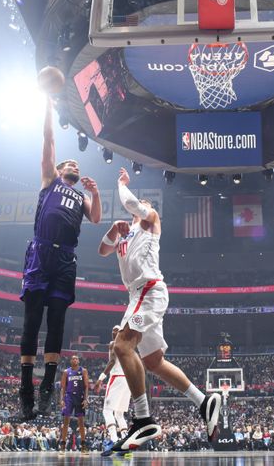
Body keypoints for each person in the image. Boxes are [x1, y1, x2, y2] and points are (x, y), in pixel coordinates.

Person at [98, 168, 220, 452]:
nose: (146, 206)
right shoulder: (126, 233)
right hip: (138, 296)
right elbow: (103, 250)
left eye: (147, 205)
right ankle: (204, 402)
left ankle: (142, 419)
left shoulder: (151, 222)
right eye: (144, 205)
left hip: (149, 292)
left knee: (122, 346)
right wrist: (114, 229)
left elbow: (131, 204)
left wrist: (120, 184)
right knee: (153, 361)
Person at [17, 73, 102, 421]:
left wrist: (96, 193)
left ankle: (48, 385)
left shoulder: (81, 195)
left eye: (76, 165)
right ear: (60, 168)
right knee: (32, 320)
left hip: (66, 258)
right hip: (41, 251)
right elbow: (49, 138)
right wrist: (49, 102)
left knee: (57, 322)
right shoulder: (49, 180)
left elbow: (96, 220)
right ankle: (25, 386)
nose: (75, 166)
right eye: (71, 163)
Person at [94, 325, 131, 456]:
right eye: (112, 331)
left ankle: (115, 442)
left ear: (120, 333)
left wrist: (100, 379)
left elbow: (112, 362)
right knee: (119, 414)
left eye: (116, 331)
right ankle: (126, 444)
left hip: (116, 378)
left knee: (107, 411)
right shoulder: (128, 345)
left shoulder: (113, 344)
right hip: (127, 379)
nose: (113, 333)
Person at [59, 354, 89, 454]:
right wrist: (62, 399)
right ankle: (62, 445)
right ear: (70, 361)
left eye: (76, 358)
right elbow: (63, 387)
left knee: (81, 422)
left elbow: (86, 387)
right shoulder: (66, 372)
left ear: (78, 361)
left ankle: (83, 445)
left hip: (79, 397)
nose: (74, 360)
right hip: (69, 396)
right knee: (66, 421)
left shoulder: (83, 371)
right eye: (73, 358)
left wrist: (86, 399)